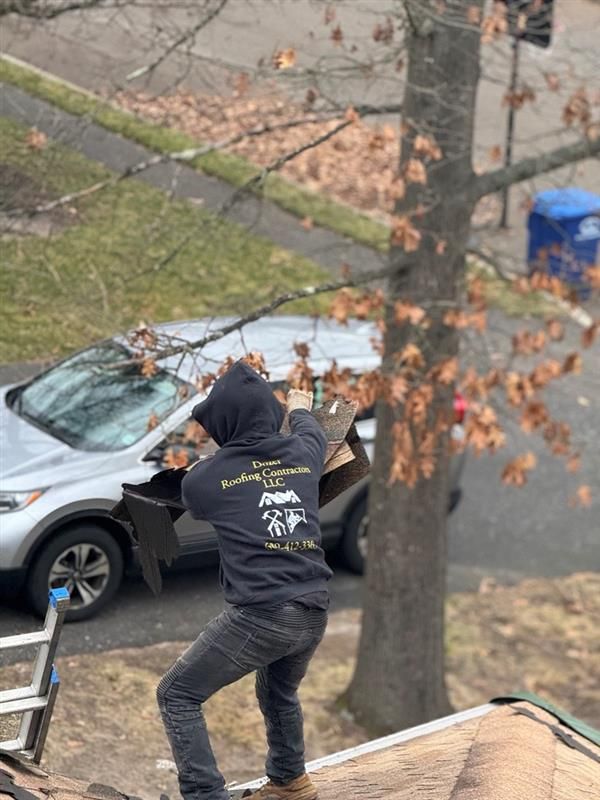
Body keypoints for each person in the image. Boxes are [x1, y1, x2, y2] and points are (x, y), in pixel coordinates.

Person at [156, 361, 332, 800]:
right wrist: (298, 406)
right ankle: (291, 780)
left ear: (225, 422)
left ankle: (204, 795)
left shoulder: (206, 478)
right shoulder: (303, 451)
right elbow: (310, 427)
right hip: (314, 608)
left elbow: (196, 498)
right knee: (278, 690)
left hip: (264, 614)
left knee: (177, 694)